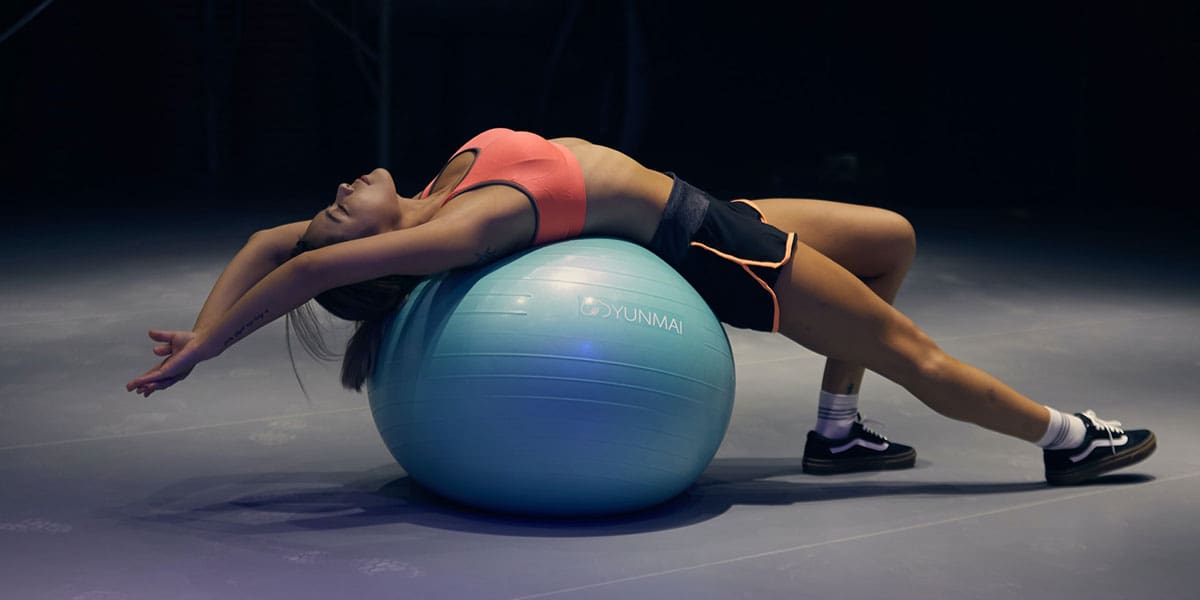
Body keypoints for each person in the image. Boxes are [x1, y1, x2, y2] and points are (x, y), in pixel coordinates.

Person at [126, 127, 1156, 485]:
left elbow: (272, 246)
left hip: (701, 207)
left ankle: (837, 435)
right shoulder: (445, 231)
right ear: (375, 252)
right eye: (335, 214)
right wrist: (209, 351)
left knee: (892, 238)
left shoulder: (433, 194)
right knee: (912, 351)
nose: (334, 195)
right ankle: (1064, 436)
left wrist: (208, 316)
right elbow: (298, 270)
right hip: (710, 246)